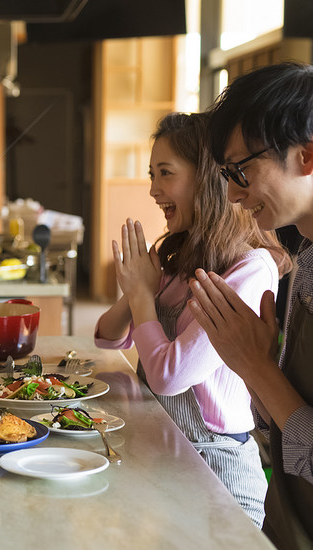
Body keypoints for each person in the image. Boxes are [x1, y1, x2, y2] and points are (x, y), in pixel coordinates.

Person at [94, 112, 291, 526]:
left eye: (165, 173)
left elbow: (169, 373)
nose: (153, 190)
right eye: (152, 174)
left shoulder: (250, 270)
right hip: (165, 455)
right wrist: (135, 291)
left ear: (206, 177)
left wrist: (143, 295)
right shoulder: (182, 256)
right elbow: (107, 337)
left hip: (218, 471)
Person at [188, 62, 313, 550]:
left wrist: (255, 367)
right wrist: (255, 370)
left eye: (241, 170)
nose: (234, 194)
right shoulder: (300, 251)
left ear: (306, 155)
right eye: (224, 174)